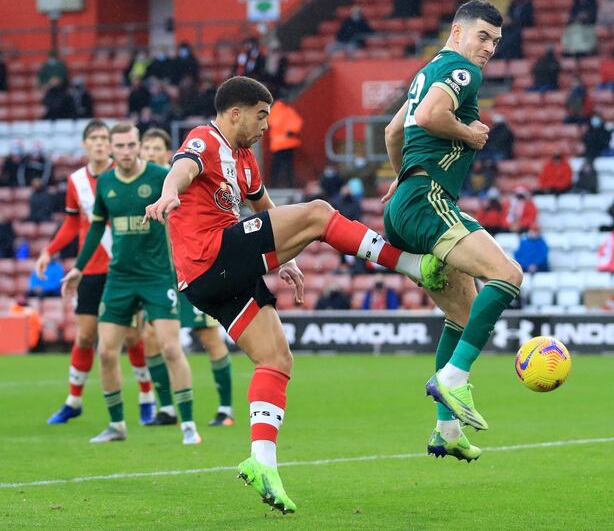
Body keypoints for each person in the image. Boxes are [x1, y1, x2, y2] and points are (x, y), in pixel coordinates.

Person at [143, 76, 448, 513]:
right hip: (210, 256)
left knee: (276, 359)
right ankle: (413, 265)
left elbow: (264, 209)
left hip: (213, 279)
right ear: (235, 113)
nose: (267, 125)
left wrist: (285, 259)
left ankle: (261, 462)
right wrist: (168, 195)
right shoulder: (204, 139)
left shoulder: (246, 160)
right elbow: (181, 170)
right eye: (262, 115)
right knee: (319, 213)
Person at [382, 0, 520, 465]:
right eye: (482, 36)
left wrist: (401, 178)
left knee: (462, 312)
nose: (488, 48)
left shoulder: (428, 71)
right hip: (429, 200)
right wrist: (469, 134)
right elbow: (428, 118)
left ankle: (446, 430)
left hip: (410, 201)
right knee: (508, 276)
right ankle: (456, 377)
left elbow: (392, 131)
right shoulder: (462, 71)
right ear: (457, 32)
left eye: (495, 42)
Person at [58, 123, 197, 445]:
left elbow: (187, 208)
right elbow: (94, 229)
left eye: (130, 145)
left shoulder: (160, 176)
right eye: (118, 146)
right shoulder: (105, 184)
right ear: (111, 149)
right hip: (119, 277)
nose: (125, 151)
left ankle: (188, 424)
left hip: (156, 276)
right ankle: (117, 425)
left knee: (170, 347)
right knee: (106, 352)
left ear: (138, 145)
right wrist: (79, 268)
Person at [39, 120, 155, 425]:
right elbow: (72, 224)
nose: (101, 143)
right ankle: (73, 401)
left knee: (132, 335)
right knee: (85, 335)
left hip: (124, 269)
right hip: (90, 270)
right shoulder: (76, 181)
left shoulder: (124, 175)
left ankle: (146, 396)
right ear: (85, 144)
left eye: (105, 138)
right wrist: (49, 251)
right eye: (95, 138)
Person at [138, 127, 236, 428]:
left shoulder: (181, 179)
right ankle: (167, 408)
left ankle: (225, 409)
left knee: (207, 336)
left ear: (168, 153)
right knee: (150, 338)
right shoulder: (139, 184)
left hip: (192, 268)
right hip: (160, 276)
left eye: (157, 148)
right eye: (147, 148)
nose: (151, 152)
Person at [268, 94, 303, 187]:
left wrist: (291, 130)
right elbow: (296, 122)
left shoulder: (276, 110)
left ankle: (274, 184)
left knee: (278, 166)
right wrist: (290, 130)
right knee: (287, 166)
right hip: (286, 144)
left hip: (281, 144)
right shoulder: (284, 110)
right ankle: (286, 184)